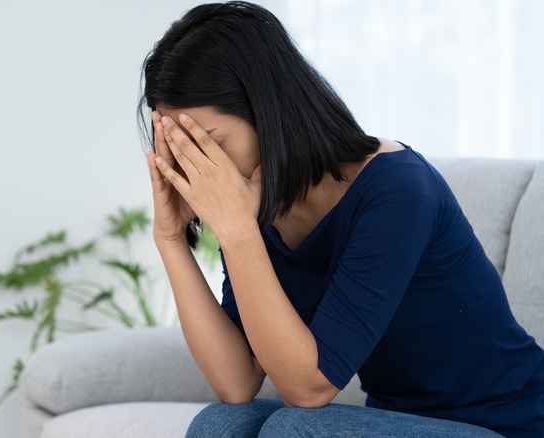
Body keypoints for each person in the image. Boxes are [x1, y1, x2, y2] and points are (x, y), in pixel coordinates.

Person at [138, 2, 544, 437]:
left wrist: (237, 233)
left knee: (295, 430)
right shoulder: (255, 207)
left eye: (209, 144)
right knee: (221, 423)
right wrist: (171, 238)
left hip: (504, 425)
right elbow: (237, 383)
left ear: (270, 113)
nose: (199, 170)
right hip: (400, 422)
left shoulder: (398, 188)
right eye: (181, 149)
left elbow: (307, 389)